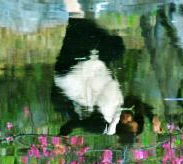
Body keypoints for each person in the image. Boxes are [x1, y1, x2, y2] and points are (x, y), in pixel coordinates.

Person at [53, 2, 151, 143]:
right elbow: (136, 101)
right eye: (132, 119)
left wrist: (62, 137)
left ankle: (81, 8)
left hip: (71, 72)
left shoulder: (103, 126)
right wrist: (152, 116)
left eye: (128, 123)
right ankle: (87, 9)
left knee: (78, 21)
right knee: (115, 47)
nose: (129, 118)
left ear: (122, 129)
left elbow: (73, 124)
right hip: (85, 65)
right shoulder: (118, 109)